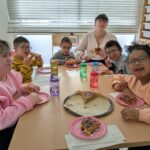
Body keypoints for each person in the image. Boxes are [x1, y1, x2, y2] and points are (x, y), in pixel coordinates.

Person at [0, 40, 43, 150]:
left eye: (9, 54)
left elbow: (15, 90)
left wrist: (26, 88)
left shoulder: (9, 75)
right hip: (6, 134)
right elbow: (2, 120)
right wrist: (28, 101)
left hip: (20, 118)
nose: (10, 59)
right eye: (4, 56)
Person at [112, 44, 150, 150]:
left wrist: (140, 114)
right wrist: (117, 84)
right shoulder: (134, 79)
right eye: (132, 61)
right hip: (139, 130)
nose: (137, 63)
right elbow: (117, 76)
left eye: (142, 59)